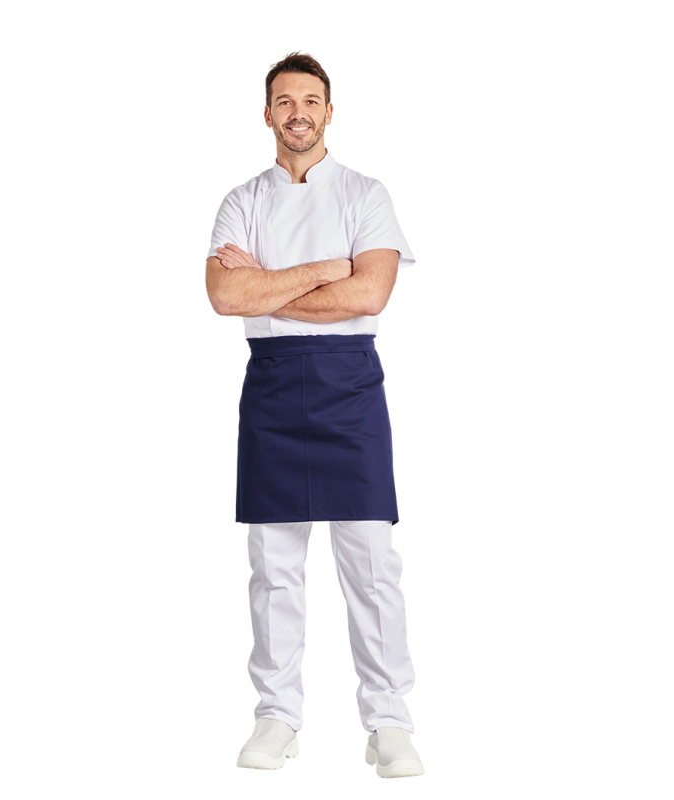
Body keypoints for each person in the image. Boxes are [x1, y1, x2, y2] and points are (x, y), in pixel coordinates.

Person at [204, 50, 425, 779]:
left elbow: (371, 295)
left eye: (310, 101)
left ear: (329, 112)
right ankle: (276, 717)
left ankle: (388, 723)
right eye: (284, 102)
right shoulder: (241, 201)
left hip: (351, 385)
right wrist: (331, 268)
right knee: (272, 567)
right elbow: (225, 297)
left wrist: (269, 286)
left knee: (371, 562)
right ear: (266, 115)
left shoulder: (366, 193)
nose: (297, 113)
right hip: (270, 387)